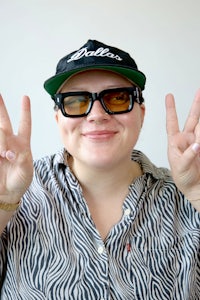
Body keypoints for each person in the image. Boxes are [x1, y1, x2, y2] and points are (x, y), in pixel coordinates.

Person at [0, 39, 200, 300]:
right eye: (76, 101)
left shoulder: (187, 195)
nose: (96, 114)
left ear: (141, 113)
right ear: (58, 118)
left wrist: (197, 193)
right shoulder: (17, 194)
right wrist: (4, 202)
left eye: (117, 98)